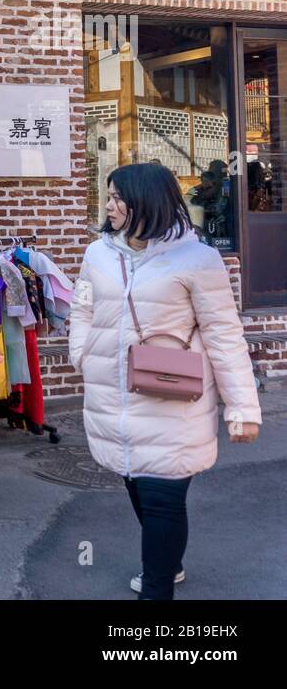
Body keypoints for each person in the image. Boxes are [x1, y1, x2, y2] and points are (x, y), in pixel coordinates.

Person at [70, 162, 261, 599]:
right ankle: (169, 562)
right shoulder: (98, 253)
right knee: (137, 484)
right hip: (113, 399)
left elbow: (224, 334)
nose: (110, 205)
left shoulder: (198, 259)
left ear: (146, 203)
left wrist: (243, 409)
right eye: (109, 195)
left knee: (162, 499)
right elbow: (81, 306)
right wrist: (81, 352)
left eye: (119, 198)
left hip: (173, 399)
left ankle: (157, 590)